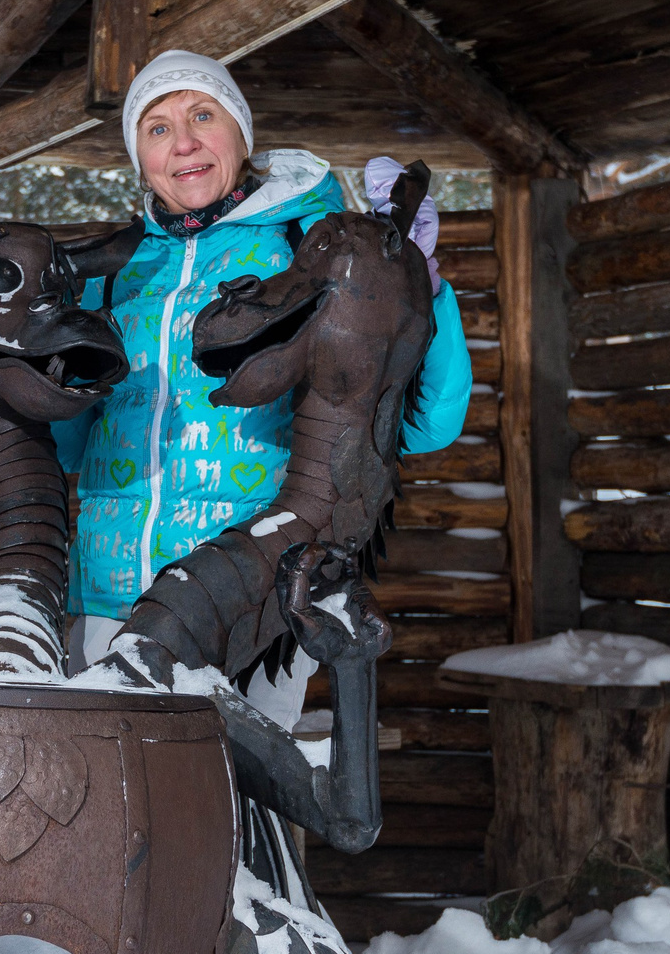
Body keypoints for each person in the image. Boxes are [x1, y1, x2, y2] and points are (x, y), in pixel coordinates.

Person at [57, 50, 473, 716]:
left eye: (202, 114)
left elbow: (427, 423)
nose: (184, 141)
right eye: (157, 127)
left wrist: (420, 292)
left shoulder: (307, 243)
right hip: (106, 599)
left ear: (241, 133)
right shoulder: (117, 270)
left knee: (229, 811)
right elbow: (71, 448)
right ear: (138, 155)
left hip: (256, 602)